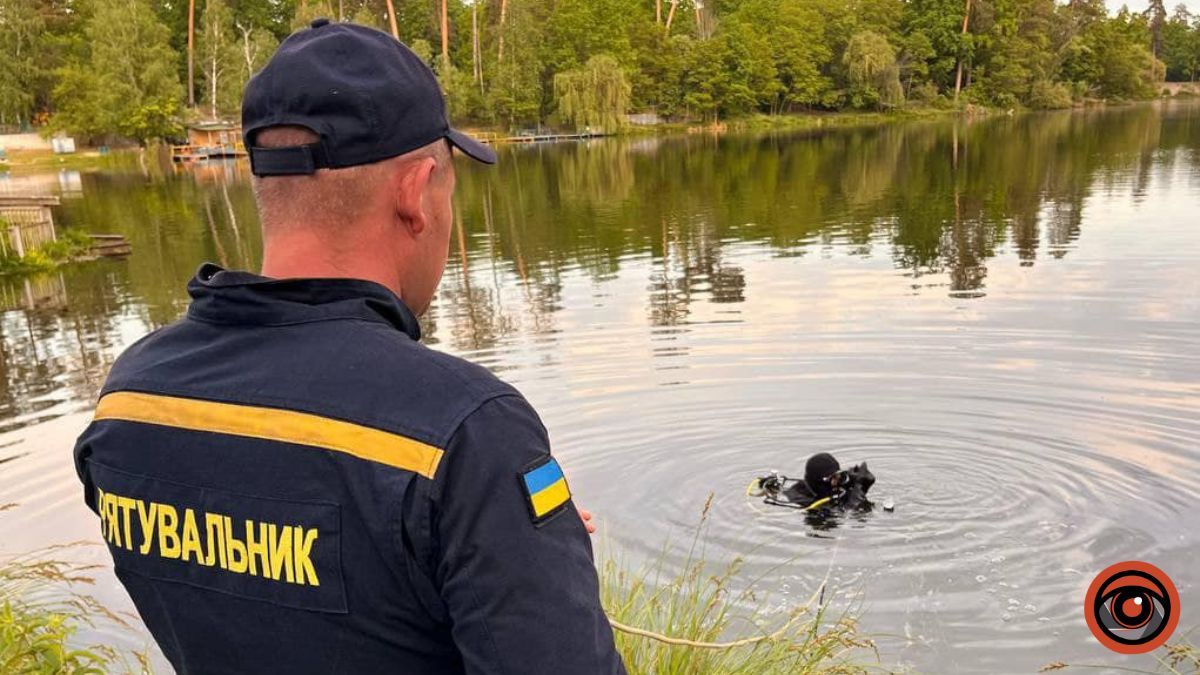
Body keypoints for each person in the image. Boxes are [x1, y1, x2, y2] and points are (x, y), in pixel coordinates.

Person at [71, 19, 625, 675]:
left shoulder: (132, 398)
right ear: (417, 193)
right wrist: (537, 563)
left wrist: (506, 551)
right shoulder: (467, 431)